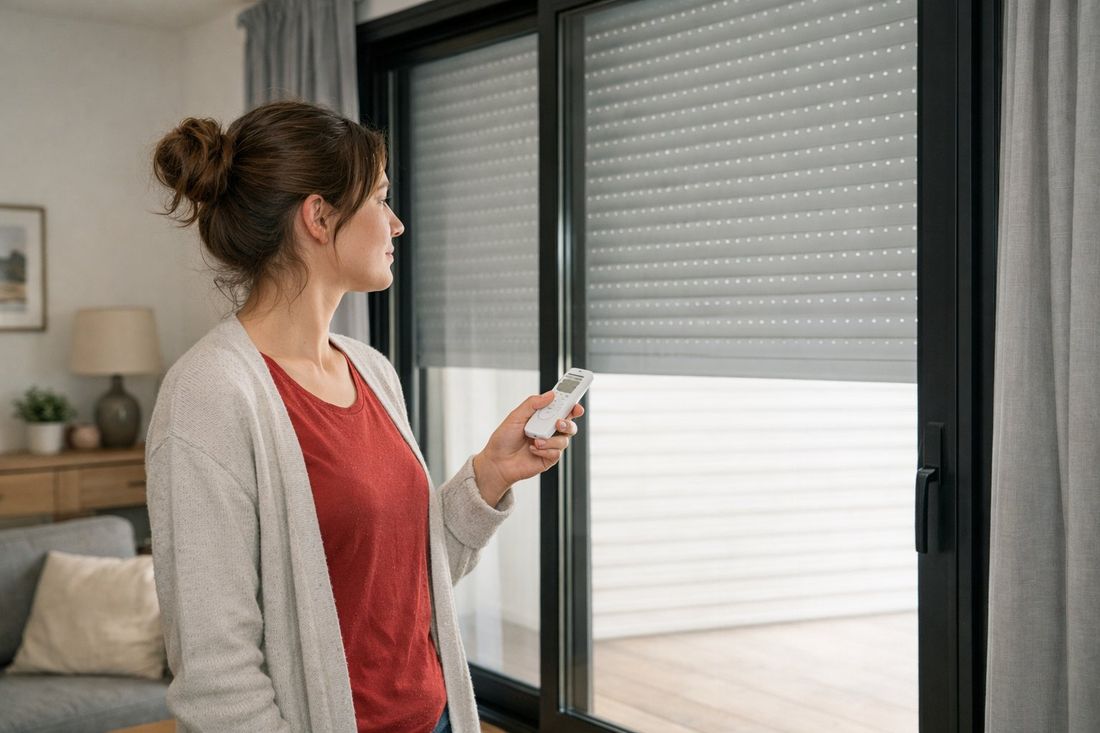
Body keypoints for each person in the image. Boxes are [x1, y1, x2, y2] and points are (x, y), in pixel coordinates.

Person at [146, 100, 582, 733]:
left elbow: (407, 582)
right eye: (381, 199)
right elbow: (217, 678)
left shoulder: (370, 369)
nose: (398, 224)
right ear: (319, 217)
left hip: (435, 718)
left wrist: (490, 473)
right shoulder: (209, 396)